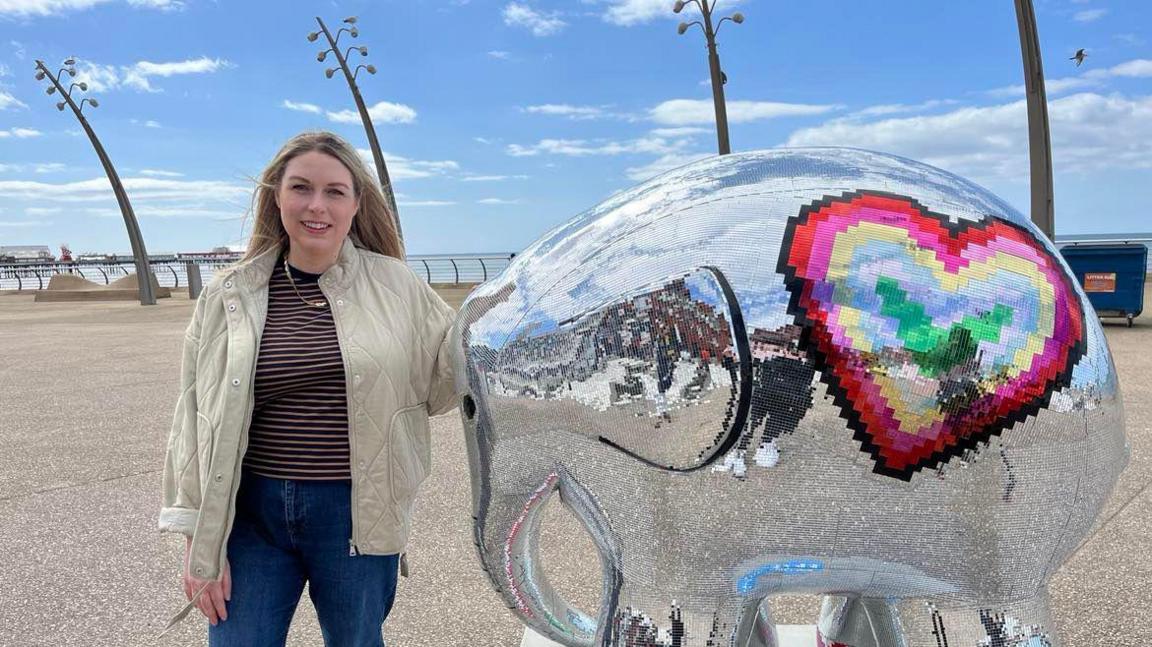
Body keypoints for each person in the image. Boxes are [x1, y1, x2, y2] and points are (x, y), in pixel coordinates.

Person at [158, 131, 458, 646]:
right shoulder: (229, 293)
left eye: (335, 191)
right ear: (277, 197)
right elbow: (193, 419)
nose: (316, 206)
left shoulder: (398, 287)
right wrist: (198, 544)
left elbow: (451, 380)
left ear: (356, 204)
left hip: (356, 516)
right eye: (301, 188)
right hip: (251, 516)